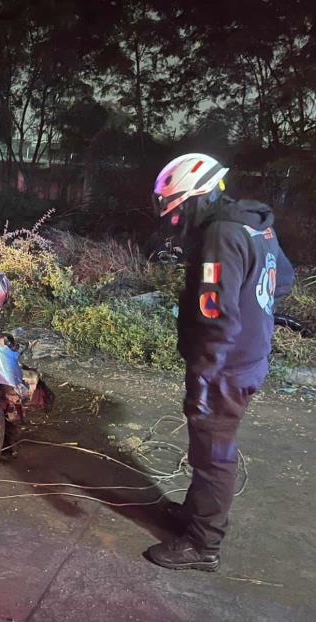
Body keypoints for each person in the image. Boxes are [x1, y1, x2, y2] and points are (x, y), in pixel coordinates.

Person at [146, 153, 294, 572]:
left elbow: (215, 314)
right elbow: (283, 280)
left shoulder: (219, 235)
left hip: (224, 366)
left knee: (215, 453)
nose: (175, 224)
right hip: (247, 358)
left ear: (196, 199)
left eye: (176, 213)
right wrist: (255, 317)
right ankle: (196, 514)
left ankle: (203, 545)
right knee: (207, 447)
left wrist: (205, 375)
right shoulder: (254, 225)